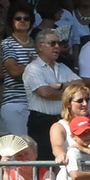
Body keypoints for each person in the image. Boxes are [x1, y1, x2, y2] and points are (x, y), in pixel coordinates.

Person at [22, 29, 79, 160]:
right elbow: (45, 92)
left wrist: (59, 86)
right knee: (44, 160)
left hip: (62, 120)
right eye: (52, 43)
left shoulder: (63, 67)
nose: (57, 47)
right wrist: (68, 93)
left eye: (58, 43)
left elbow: (80, 84)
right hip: (41, 122)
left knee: (65, 157)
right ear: (40, 46)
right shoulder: (32, 69)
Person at [0, 4, 39, 136]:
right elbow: (13, 71)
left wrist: (25, 68)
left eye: (26, 18)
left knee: (34, 151)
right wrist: (34, 66)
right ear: (11, 21)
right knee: (16, 149)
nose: (22, 21)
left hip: (37, 104)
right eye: (18, 18)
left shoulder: (38, 44)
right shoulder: (7, 43)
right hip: (15, 102)